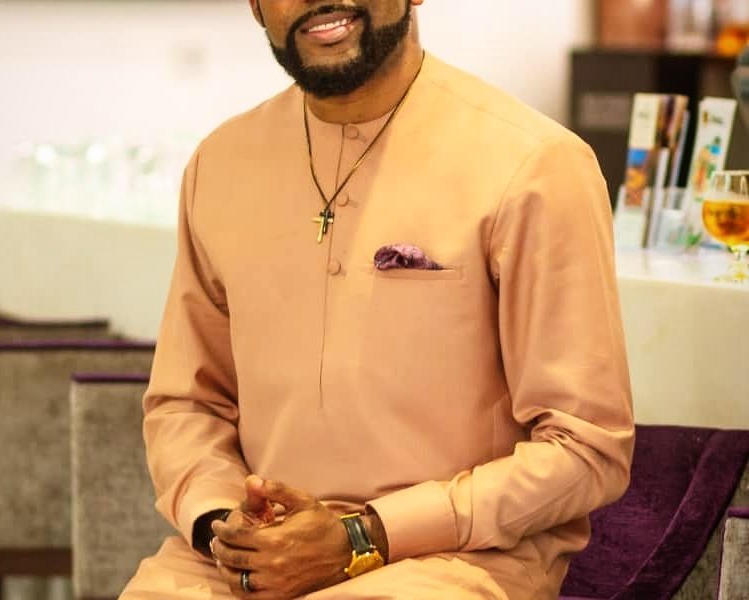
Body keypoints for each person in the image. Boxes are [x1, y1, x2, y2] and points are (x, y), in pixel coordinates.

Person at [121, 1, 635, 598]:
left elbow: (586, 448)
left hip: (449, 561)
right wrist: (225, 525)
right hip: (249, 560)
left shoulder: (533, 164)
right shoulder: (222, 164)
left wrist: (362, 537)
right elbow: (187, 405)